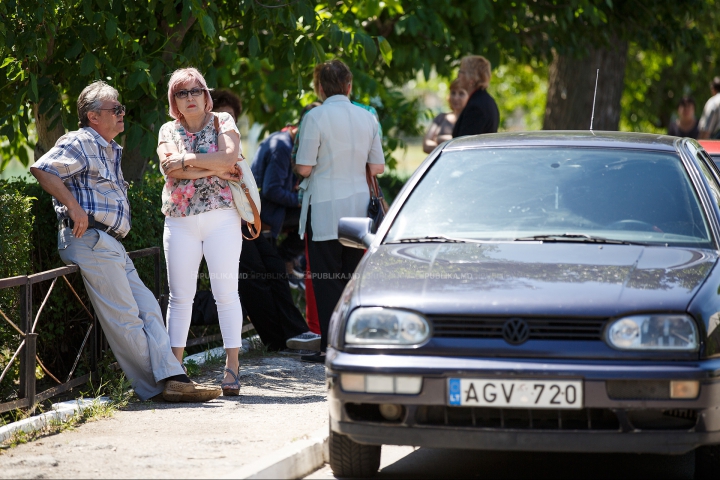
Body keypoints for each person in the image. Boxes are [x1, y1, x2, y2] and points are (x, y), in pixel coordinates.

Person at [30, 81, 220, 402]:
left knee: (148, 310)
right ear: (92, 116)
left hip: (109, 242)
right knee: (126, 318)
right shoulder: (81, 140)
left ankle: (173, 377)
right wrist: (73, 207)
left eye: (121, 108)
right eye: (114, 109)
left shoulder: (107, 147)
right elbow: (43, 169)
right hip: (89, 237)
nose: (122, 114)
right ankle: (161, 388)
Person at [209, 90, 321, 352]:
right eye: (222, 116)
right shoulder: (206, 146)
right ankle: (275, 340)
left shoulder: (232, 145)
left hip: (245, 218)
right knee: (255, 277)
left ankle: (296, 332)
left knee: (275, 268)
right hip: (222, 223)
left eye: (232, 118)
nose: (228, 122)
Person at [157, 68, 245, 396]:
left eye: (196, 90)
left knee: (225, 293)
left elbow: (231, 157)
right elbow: (170, 167)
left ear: (206, 95)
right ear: (174, 101)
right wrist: (216, 165)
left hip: (222, 217)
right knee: (180, 297)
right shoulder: (168, 130)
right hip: (179, 220)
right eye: (182, 93)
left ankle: (232, 366)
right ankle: (175, 374)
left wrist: (188, 162)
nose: (190, 97)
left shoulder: (223, 121)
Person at [295, 60, 385, 363]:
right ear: (349, 86)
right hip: (359, 207)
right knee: (351, 276)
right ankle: (351, 341)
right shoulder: (368, 117)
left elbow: (305, 167)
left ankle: (329, 346)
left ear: (320, 87)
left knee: (325, 276)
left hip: (323, 206)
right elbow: (377, 167)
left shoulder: (314, 116)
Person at [452, 55, 499, 137]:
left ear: (471, 79)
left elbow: (464, 143)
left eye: (461, 72)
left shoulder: (476, 107)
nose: (458, 75)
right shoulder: (484, 100)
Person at [423, 79, 469, 153]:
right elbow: (426, 145)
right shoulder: (441, 118)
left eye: (461, 93)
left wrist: (439, 139)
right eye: (453, 93)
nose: (456, 98)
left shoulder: (470, 120)